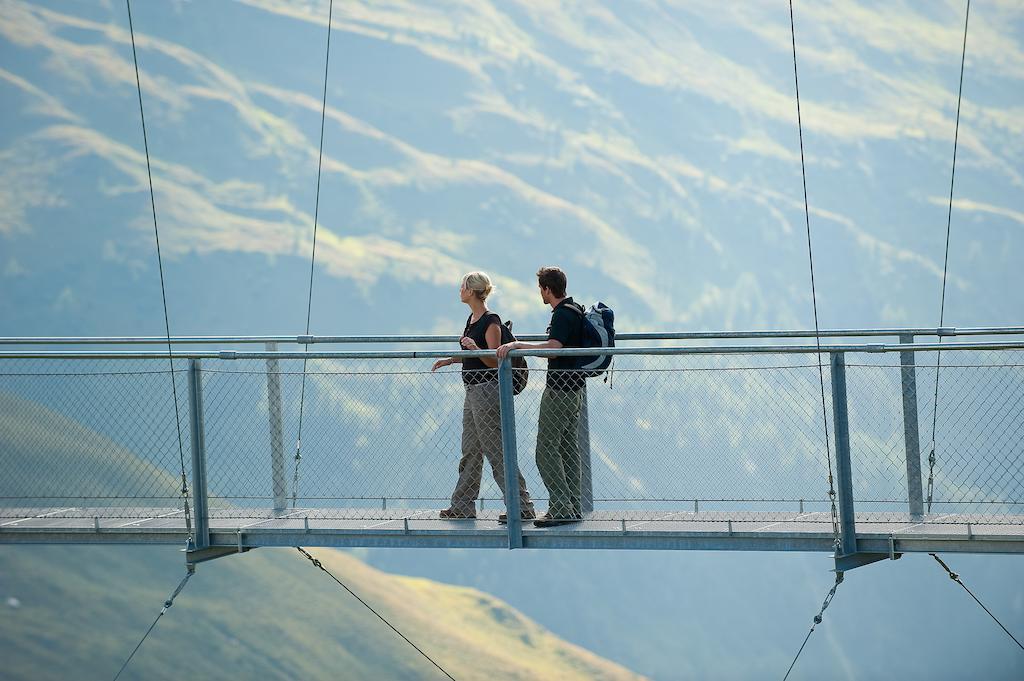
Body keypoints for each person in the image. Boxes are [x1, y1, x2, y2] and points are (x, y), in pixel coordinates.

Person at [432, 272, 536, 522]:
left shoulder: (491, 321)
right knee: (471, 449)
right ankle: (463, 506)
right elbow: (475, 355)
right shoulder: (472, 319)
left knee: (496, 450)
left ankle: (522, 507)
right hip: (473, 390)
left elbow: (493, 359)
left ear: (472, 291)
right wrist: (452, 360)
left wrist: (473, 349)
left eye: (463, 286)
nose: (459, 290)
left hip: (487, 390)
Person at [497, 266, 584, 527]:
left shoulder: (561, 315)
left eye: (541, 289)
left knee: (545, 450)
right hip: (576, 389)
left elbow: (554, 349)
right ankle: (573, 506)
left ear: (547, 289)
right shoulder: (576, 310)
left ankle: (560, 507)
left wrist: (518, 345)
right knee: (568, 449)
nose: (541, 294)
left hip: (559, 389)